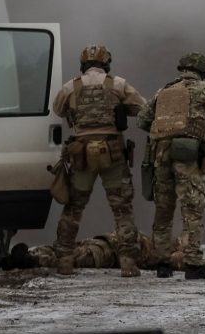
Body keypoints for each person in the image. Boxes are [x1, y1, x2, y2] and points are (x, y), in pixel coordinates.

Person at [52, 44, 147, 277]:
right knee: (122, 210)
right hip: (112, 153)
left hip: (81, 154)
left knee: (73, 208)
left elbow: (57, 109)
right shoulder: (118, 84)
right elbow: (142, 108)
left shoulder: (70, 86)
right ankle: (128, 264)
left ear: (83, 64)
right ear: (106, 63)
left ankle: (64, 261)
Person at [138, 52, 205, 280]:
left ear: (182, 69)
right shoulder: (204, 89)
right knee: (192, 207)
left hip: (160, 154)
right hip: (186, 155)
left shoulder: (164, 91)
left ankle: (161, 262)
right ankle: (192, 261)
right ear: (202, 71)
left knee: (163, 209)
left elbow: (142, 120)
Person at [0, 233, 184, 272]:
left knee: (74, 257)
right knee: (65, 248)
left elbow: (179, 260)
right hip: (103, 241)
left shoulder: (165, 257)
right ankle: (8, 259)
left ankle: (31, 260)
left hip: (109, 253)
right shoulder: (160, 243)